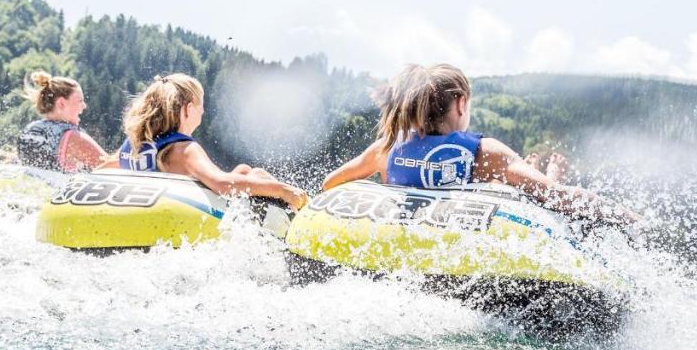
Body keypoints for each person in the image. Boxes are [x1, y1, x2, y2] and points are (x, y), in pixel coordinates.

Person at [321, 63, 637, 224]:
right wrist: (627, 217)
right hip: (471, 236)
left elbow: (331, 184)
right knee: (528, 188)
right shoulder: (485, 153)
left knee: (515, 185)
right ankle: (542, 169)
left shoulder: (387, 148)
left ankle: (535, 167)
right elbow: (558, 198)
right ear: (460, 103)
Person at [111, 73, 307, 210]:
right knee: (257, 174)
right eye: (201, 105)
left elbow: (103, 167)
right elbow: (223, 184)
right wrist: (283, 190)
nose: (203, 112)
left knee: (244, 170)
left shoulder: (133, 146)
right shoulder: (184, 150)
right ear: (187, 109)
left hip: (152, 210)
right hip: (187, 222)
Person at [17, 71, 109, 172]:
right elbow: (110, 168)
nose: (84, 106)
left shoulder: (30, 130)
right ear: (61, 104)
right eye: (80, 101)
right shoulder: (72, 137)